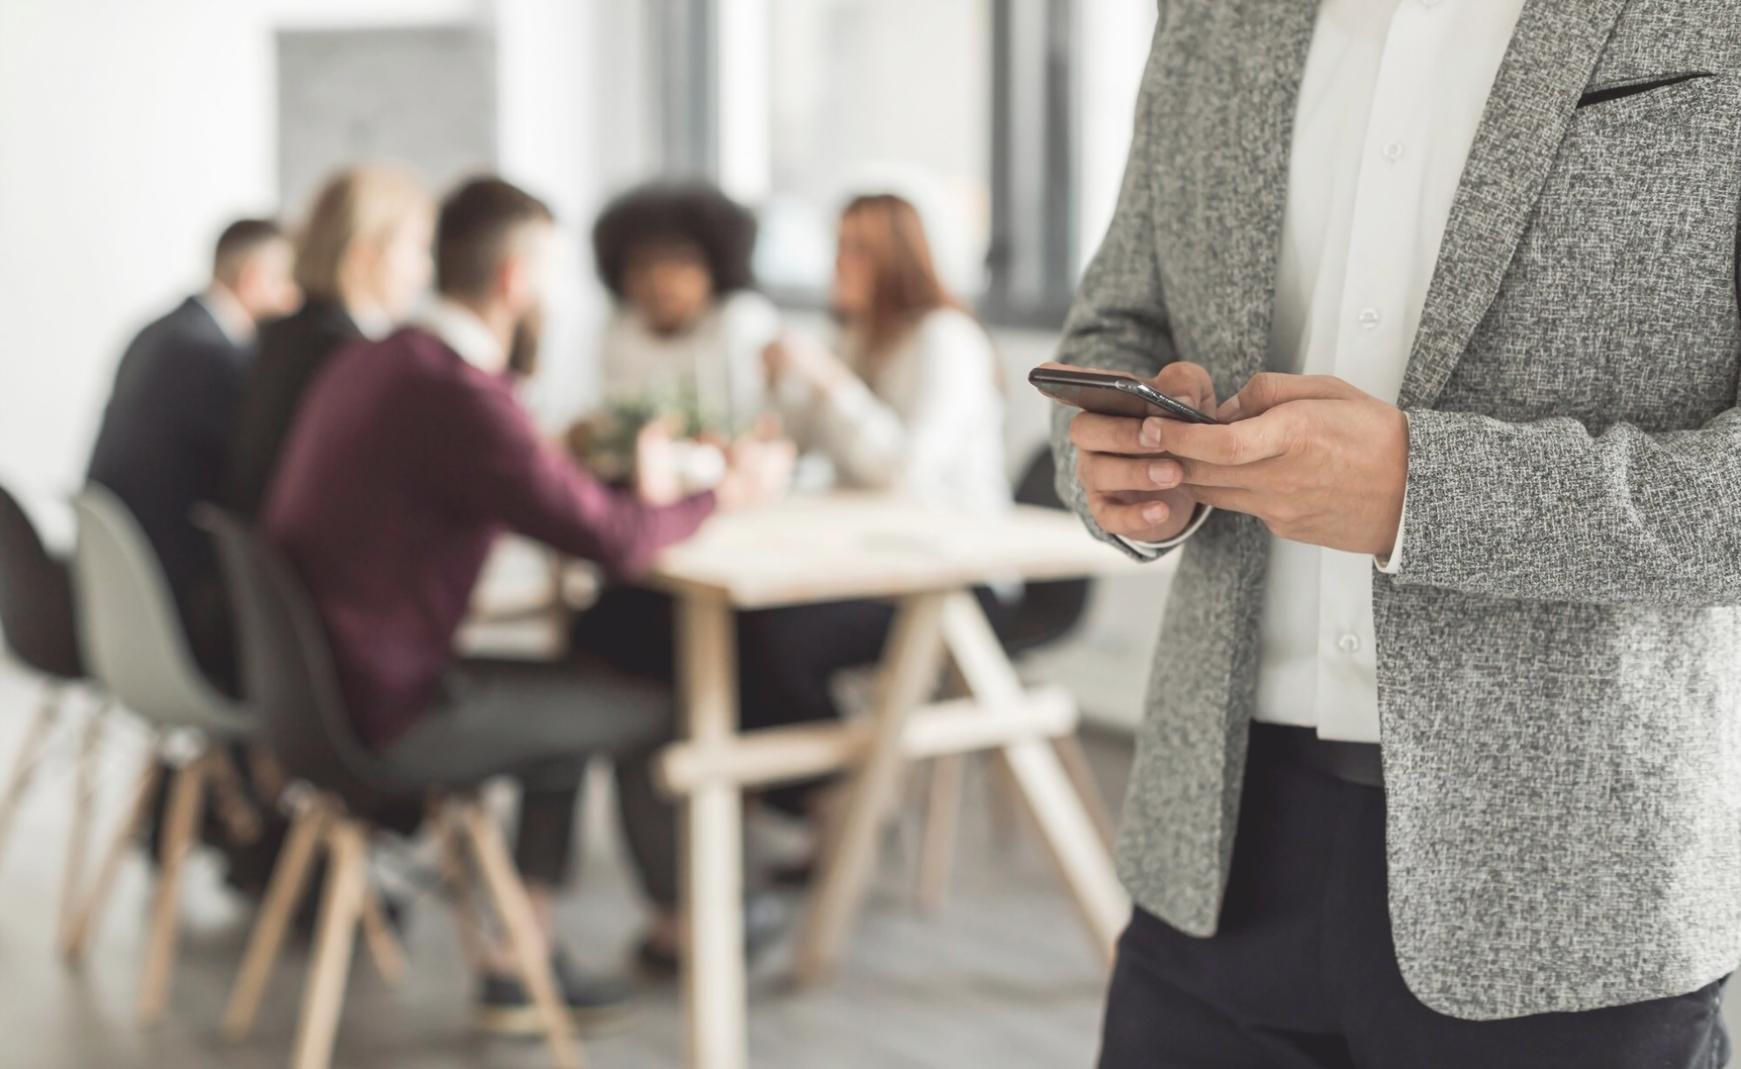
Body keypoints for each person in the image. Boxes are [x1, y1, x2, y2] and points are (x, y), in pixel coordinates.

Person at [1053, 4, 1741, 1068]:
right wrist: (1114, 461)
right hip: (1212, 849)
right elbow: (1115, 325)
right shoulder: (1207, 12)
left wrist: (1422, 492)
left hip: (1575, 875)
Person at [265, 176, 789, 1033]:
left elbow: (547, 496)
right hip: (388, 708)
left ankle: (523, 946)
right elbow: (613, 539)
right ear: (514, 278)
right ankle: (682, 924)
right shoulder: (458, 392)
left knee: (578, 677)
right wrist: (724, 493)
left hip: (318, 694)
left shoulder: (381, 357)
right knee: (655, 706)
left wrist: (619, 482)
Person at [87, 217, 300, 687]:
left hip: (114, 594)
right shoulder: (214, 359)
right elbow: (257, 479)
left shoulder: (158, 333)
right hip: (175, 606)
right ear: (254, 280)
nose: (295, 301)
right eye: (289, 284)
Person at [224, 165, 434, 519]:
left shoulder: (281, 333)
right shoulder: (352, 357)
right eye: (417, 248)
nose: (425, 272)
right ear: (365, 254)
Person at [592, 181, 779, 436]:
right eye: (642, 264)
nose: (659, 280)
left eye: (679, 261)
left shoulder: (741, 321)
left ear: (714, 266)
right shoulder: (619, 328)